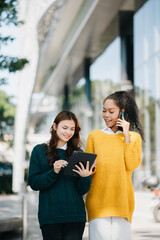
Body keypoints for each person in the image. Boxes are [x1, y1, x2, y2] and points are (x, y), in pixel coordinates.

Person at [85, 91, 144, 240]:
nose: (106, 115)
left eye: (111, 111)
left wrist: (125, 136)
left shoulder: (133, 138)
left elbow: (131, 165)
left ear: (122, 112)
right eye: (104, 111)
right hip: (97, 202)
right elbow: (87, 170)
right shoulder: (94, 136)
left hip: (122, 201)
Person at [28, 110, 95, 240]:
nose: (68, 132)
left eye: (72, 129)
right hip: (50, 217)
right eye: (64, 127)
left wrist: (86, 176)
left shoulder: (78, 153)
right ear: (54, 126)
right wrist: (54, 172)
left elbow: (82, 189)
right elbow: (34, 183)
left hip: (75, 216)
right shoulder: (39, 151)